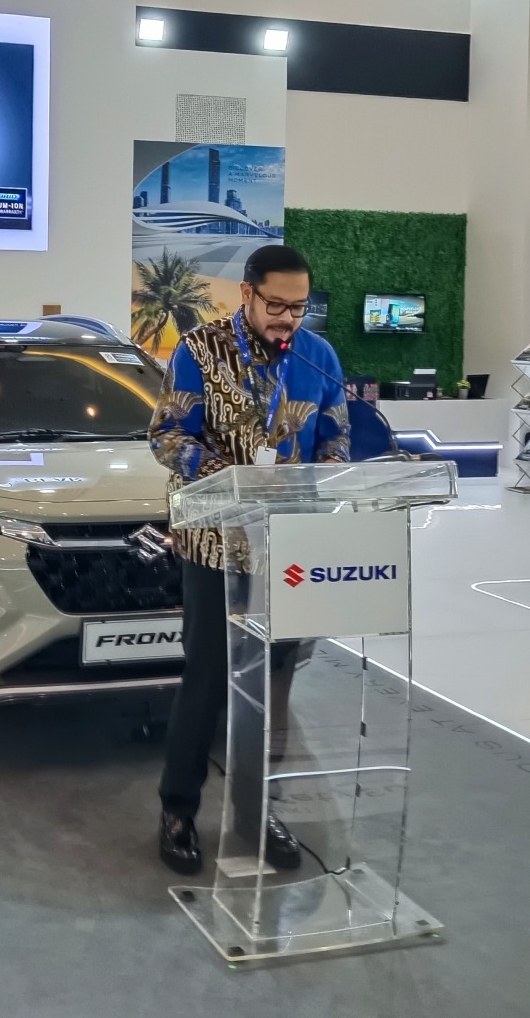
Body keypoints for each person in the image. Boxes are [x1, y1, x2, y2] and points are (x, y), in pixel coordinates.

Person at [148, 243, 351, 874]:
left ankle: (256, 810)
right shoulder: (199, 351)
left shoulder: (319, 359)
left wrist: (327, 474)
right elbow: (166, 436)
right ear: (247, 293)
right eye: (277, 305)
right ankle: (178, 809)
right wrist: (226, 477)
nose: (288, 318)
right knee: (208, 678)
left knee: (269, 685)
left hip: (286, 550)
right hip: (214, 544)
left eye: (299, 307)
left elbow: (336, 439)